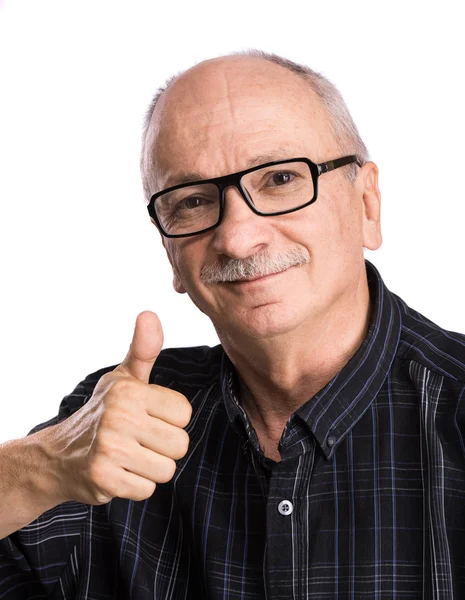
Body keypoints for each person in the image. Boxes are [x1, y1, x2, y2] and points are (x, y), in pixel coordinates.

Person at [1, 49, 465, 599]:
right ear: (168, 249)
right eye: (193, 201)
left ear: (367, 203)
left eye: (282, 179)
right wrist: (42, 466)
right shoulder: (110, 428)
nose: (239, 238)